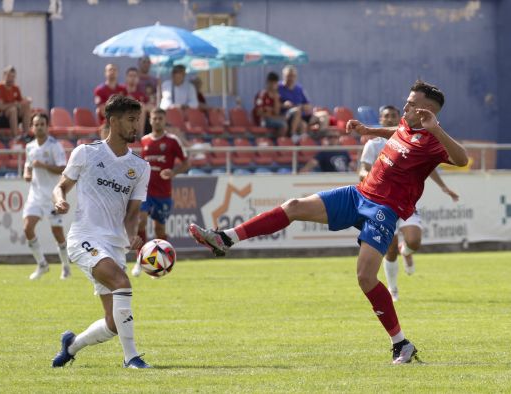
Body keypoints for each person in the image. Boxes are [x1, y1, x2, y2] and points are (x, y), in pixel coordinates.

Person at [188, 80, 469, 364]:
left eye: (410, 103)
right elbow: (397, 133)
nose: (404, 105)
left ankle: (401, 344)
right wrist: (369, 130)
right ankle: (226, 239)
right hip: (358, 195)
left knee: (365, 278)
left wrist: (436, 128)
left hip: (383, 210)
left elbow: (462, 159)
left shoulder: (433, 140)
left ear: (426, 111)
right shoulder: (406, 126)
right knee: (294, 206)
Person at [51, 95, 152, 369]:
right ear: (113, 120)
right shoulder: (86, 153)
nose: (136, 126)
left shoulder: (141, 168)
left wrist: (132, 235)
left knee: (113, 323)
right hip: (84, 238)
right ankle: (131, 357)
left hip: (114, 245)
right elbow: (61, 186)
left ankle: (71, 345)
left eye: (138, 120)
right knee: (122, 283)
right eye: (131, 120)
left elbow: (132, 214)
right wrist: (59, 199)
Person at [359, 105, 459, 301]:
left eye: (393, 116)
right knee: (390, 247)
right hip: (381, 202)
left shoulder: (411, 140)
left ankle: (406, 251)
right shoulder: (373, 144)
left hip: (405, 201)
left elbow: (428, 168)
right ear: (380, 118)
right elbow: (362, 170)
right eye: (386, 116)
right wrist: (373, 176)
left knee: (414, 241)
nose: (389, 119)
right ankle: (393, 290)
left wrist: (443, 187)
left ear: (399, 118)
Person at [132, 108, 189, 277]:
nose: (157, 121)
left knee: (159, 229)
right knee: (140, 222)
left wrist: (173, 172)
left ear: (164, 121)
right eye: (154, 118)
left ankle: (164, 260)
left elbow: (186, 163)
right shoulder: (144, 141)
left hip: (163, 193)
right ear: (150, 120)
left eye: (160, 118)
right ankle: (139, 261)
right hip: (145, 191)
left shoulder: (172, 141)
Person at [23, 113, 71, 281]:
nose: (39, 127)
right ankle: (42, 264)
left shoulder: (54, 146)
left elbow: (62, 169)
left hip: (52, 196)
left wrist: (42, 165)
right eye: (36, 124)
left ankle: (65, 266)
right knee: (27, 228)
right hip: (35, 195)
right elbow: (27, 166)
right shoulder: (29, 147)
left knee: (57, 232)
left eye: (42, 124)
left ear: (47, 126)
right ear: (32, 127)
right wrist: (27, 174)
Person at [0, 66, 31, 138]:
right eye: (9, 76)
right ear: (4, 76)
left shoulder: (16, 88)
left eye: (13, 76)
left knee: (26, 107)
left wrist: (26, 100)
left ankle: (26, 135)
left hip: (13, 117)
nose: (11, 79)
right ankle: (15, 137)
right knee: (13, 109)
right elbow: (1, 107)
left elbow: (20, 103)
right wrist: (14, 104)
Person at [278, 65, 313, 141]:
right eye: (288, 76)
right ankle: (292, 135)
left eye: (293, 76)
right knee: (297, 111)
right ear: (284, 76)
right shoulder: (278, 87)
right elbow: (273, 105)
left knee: (304, 124)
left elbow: (308, 105)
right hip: (284, 116)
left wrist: (301, 106)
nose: (291, 78)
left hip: (300, 117)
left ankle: (318, 142)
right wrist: (283, 105)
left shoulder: (299, 89)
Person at [252, 72, 288, 137]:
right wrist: (271, 114)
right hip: (262, 121)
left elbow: (276, 112)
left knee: (288, 121)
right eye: (272, 83)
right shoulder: (261, 95)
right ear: (268, 83)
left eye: (275, 83)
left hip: (272, 119)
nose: (274, 85)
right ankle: (279, 145)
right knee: (283, 125)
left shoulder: (276, 96)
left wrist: (276, 99)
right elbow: (259, 112)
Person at [123, 67, 149, 137]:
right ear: (126, 78)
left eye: (135, 76)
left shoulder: (142, 94)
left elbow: (149, 107)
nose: (133, 78)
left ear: (138, 79)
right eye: (130, 76)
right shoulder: (121, 91)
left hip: (138, 122)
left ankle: (140, 135)